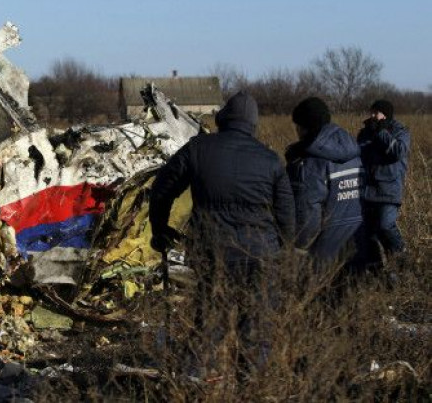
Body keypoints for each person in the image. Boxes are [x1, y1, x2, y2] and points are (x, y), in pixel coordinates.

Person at [149, 91, 295, 372]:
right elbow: (287, 216)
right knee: (256, 325)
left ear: (223, 118)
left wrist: (160, 229)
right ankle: (251, 381)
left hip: (213, 252)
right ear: (253, 124)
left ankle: (195, 379)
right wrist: (282, 250)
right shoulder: (270, 159)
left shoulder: (198, 149)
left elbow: (162, 189)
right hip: (261, 255)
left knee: (211, 321)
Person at [285, 97, 366, 269]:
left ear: (304, 127)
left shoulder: (310, 163)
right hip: (358, 242)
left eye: (297, 126)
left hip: (324, 254)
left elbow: (308, 214)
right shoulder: (354, 152)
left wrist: (298, 247)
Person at [357, 99, 410, 257]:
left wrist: (381, 132)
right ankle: (375, 269)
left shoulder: (400, 131)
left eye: (376, 112)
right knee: (369, 235)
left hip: (389, 189)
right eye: (371, 112)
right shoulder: (365, 132)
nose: (372, 115)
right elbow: (357, 155)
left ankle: (400, 256)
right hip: (367, 190)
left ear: (385, 114)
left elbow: (398, 152)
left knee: (385, 226)